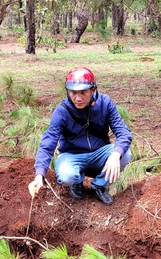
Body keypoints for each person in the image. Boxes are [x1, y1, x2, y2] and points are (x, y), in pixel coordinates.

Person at [28, 67, 133, 205]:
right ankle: (77, 182)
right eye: (73, 93)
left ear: (93, 90)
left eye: (83, 93)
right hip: (71, 156)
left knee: (125, 154)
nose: (78, 98)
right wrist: (39, 175)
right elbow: (48, 143)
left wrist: (115, 155)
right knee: (66, 175)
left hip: (98, 153)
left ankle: (99, 186)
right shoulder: (62, 112)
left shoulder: (105, 103)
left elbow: (123, 132)